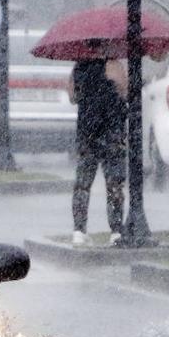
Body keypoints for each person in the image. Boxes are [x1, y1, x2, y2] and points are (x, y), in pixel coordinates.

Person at [70, 58, 127, 245]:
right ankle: (116, 231)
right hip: (112, 130)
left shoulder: (80, 66)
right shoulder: (115, 65)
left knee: (83, 184)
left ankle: (79, 230)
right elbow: (124, 92)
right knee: (114, 184)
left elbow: (72, 96)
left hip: (87, 131)